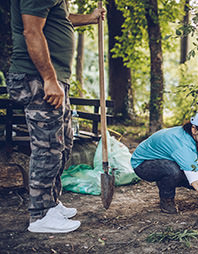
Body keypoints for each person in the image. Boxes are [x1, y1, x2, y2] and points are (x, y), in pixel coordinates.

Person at [6, 0, 105, 233]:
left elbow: (61, 18)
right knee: (48, 146)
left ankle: (50, 203)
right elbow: (31, 31)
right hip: (38, 78)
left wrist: (90, 18)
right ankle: (40, 216)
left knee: (64, 144)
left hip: (54, 78)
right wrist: (49, 79)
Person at [131, 108, 198, 234]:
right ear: (194, 129)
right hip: (143, 164)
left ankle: (165, 179)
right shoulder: (182, 144)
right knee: (174, 172)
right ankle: (166, 199)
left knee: (196, 180)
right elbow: (197, 183)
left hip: (168, 160)